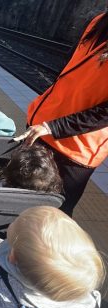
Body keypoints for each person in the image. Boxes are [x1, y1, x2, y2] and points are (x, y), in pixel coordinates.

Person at [13, 10, 108, 216]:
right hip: (41, 128)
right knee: (19, 202)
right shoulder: (99, 21)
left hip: (75, 150)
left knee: (53, 215)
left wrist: (53, 126)